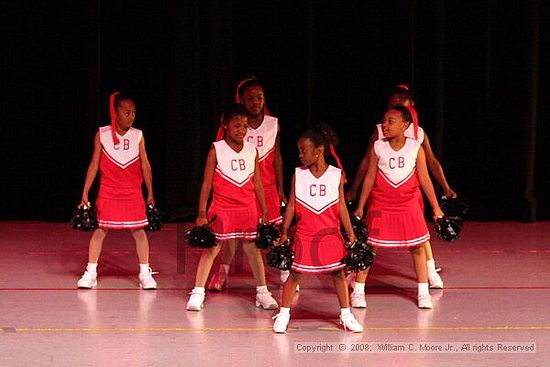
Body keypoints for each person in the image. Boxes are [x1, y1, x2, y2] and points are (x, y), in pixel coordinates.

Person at [346, 85, 449, 308]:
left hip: (408, 203)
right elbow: (370, 178)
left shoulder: (416, 147)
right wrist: (361, 205)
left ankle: (422, 292)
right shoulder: (378, 147)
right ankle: (359, 292)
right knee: (370, 245)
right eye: (384, 121)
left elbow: (424, 180)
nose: (385, 125)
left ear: (405, 125)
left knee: (417, 246)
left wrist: (436, 207)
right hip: (382, 204)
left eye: (391, 122)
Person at [186, 103, 278, 311]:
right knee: (212, 250)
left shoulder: (252, 150)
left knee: (253, 250)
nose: (242, 130)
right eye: (237, 125)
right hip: (222, 208)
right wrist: (201, 213)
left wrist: (264, 210)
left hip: (247, 208)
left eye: (245, 126)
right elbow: (206, 184)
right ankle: (198, 292)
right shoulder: (216, 149)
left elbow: (257, 183)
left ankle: (262, 292)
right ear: (225, 125)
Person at [272, 125, 363, 333]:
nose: (300, 155)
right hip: (305, 235)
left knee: (338, 274)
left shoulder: (336, 175)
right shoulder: (298, 175)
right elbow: (293, 205)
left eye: (303, 151)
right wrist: (285, 232)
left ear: (319, 151)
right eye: (299, 151)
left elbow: (341, 206)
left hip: (330, 234)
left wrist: (350, 234)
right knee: (295, 274)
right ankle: (284, 314)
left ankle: (346, 315)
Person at [208, 76, 288, 292]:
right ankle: (222, 273)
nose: (255, 102)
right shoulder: (236, 125)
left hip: (267, 187)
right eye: (250, 98)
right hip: (241, 189)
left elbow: (278, 157)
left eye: (259, 97)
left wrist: (281, 188)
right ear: (241, 100)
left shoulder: (273, 124)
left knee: (273, 232)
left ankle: (284, 270)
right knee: (232, 237)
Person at [77, 92, 157, 290]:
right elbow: (94, 164)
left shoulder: (138, 135)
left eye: (134, 113)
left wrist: (150, 192)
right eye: (127, 112)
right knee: (100, 230)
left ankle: (144, 272)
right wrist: (85, 192)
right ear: (115, 113)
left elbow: (145, 165)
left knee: (139, 231)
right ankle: (91, 272)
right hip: (109, 190)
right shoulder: (102, 134)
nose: (131, 116)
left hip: (132, 191)